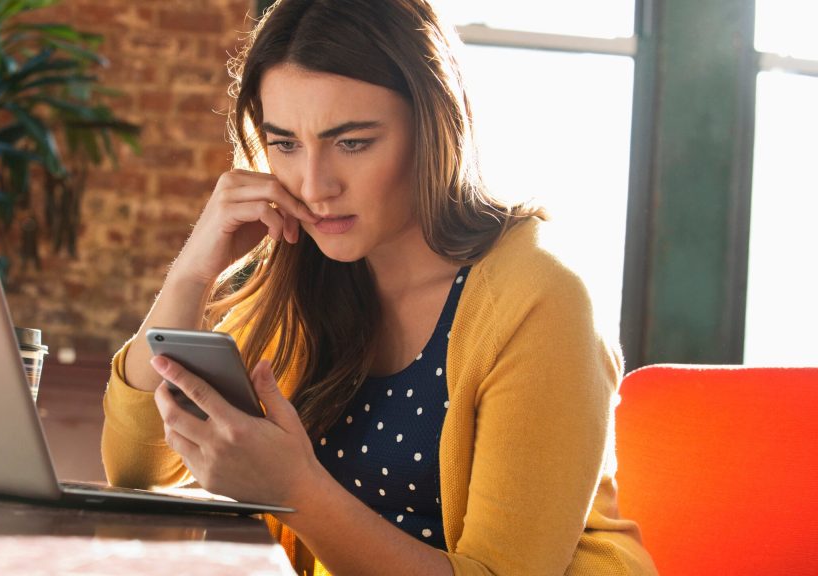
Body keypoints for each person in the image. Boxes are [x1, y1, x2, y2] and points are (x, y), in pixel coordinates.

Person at [101, 0, 657, 574]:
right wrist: (193, 272)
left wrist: (297, 489)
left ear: (433, 128)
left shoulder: (540, 298)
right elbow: (138, 471)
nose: (315, 186)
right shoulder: (307, 272)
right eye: (285, 144)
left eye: (352, 143)